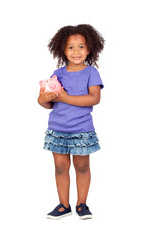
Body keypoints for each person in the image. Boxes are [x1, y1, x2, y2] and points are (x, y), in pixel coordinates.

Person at [38, 24, 105, 220]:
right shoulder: (57, 74)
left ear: (90, 48)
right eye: (71, 47)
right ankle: (63, 205)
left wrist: (64, 97)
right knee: (60, 166)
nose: (76, 51)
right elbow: (46, 103)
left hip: (82, 129)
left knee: (82, 166)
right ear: (62, 50)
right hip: (57, 129)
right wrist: (44, 97)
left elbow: (94, 98)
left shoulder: (91, 72)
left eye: (81, 47)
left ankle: (82, 204)